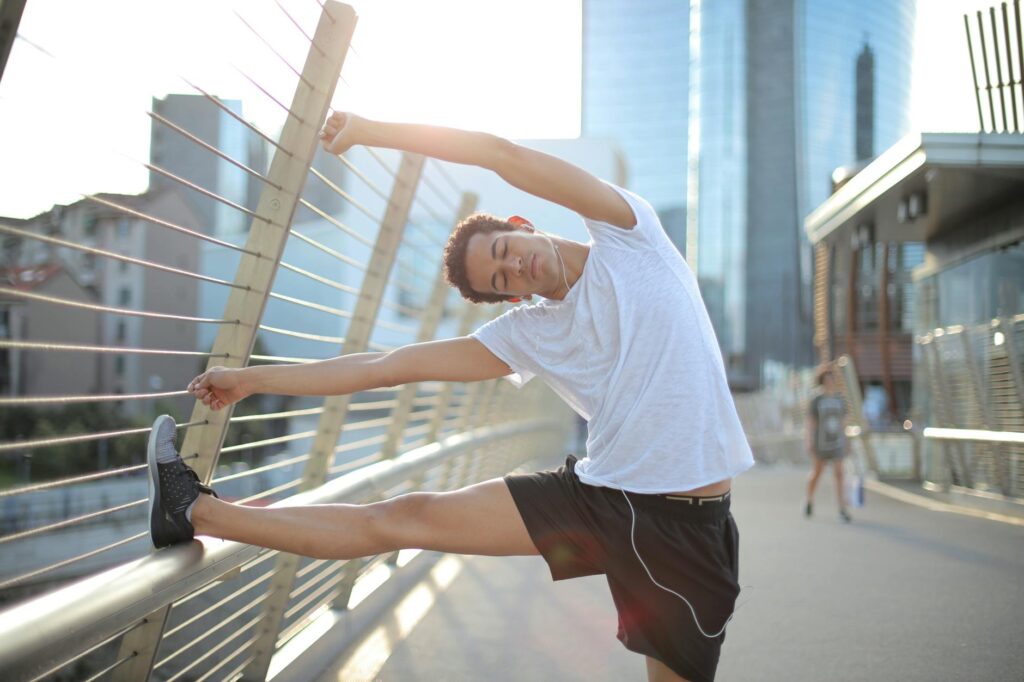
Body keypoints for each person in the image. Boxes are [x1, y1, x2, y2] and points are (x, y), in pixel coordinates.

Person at [147, 112, 755, 682]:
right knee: (402, 517)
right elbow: (385, 367)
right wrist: (254, 379)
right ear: (511, 300)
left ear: (521, 226)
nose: (514, 268)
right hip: (601, 497)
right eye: (501, 281)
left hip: (687, 525)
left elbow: (499, 153)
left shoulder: (632, 235)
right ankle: (195, 511)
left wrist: (371, 131)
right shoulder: (528, 333)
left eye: (503, 253)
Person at [804, 365, 852, 523]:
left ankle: (842, 507)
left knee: (839, 473)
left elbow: (844, 422)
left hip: (836, 441)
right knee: (817, 472)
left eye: (831, 379)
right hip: (821, 442)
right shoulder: (817, 399)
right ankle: (809, 500)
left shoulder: (840, 399)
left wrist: (847, 441)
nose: (829, 382)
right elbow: (811, 422)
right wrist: (809, 441)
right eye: (827, 380)